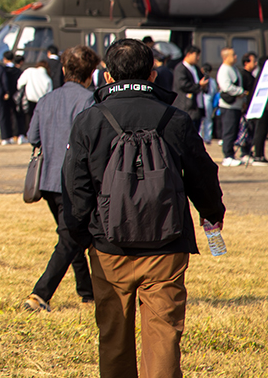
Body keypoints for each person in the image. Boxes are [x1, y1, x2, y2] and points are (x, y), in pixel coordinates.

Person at [64, 39, 225, 378]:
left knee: (113, 337)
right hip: (166, 244)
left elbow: (76, 187)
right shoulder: (175, 118)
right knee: (164, 336)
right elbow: (202, 173)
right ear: (152, 74)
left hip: (109, 247)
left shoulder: (89, 120)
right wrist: (212, 215)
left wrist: (81, 235)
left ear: (107, 76)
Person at [23, 45, 100, 312]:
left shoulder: (46, 100)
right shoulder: (90, 100)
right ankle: (40, 294)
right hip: (76, 182)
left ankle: (87, 290)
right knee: (70, 237)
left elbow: (33, 138)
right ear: (92, 74)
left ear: (64, 70)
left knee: (72, 234)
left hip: (48, 180)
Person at [216, 47, 249, 166]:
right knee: (228, 131)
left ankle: (231, 155)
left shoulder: (234, 69)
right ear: (225, 57)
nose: (236, 57)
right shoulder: (224, 70)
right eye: (233, 55)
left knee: (234, 130)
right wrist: (240, 91)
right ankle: (227, 156)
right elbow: (226, 87)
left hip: (236, 105)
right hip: (228, 106)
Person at [172, 46, 208, 130]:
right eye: (196, 56)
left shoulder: (196, 69)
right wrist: (199, 85)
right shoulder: (180, 69)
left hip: (197, 106)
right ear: (188, 54)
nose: (198, 58)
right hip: (186, 107)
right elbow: (183, 85)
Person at [17, 59, 54, 130]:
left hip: (29, 99)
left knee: (28, 117)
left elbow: (20, 83)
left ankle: (27, 133)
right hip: (41, 101)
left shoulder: (30, 71)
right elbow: (49, 93)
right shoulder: (48, 78)